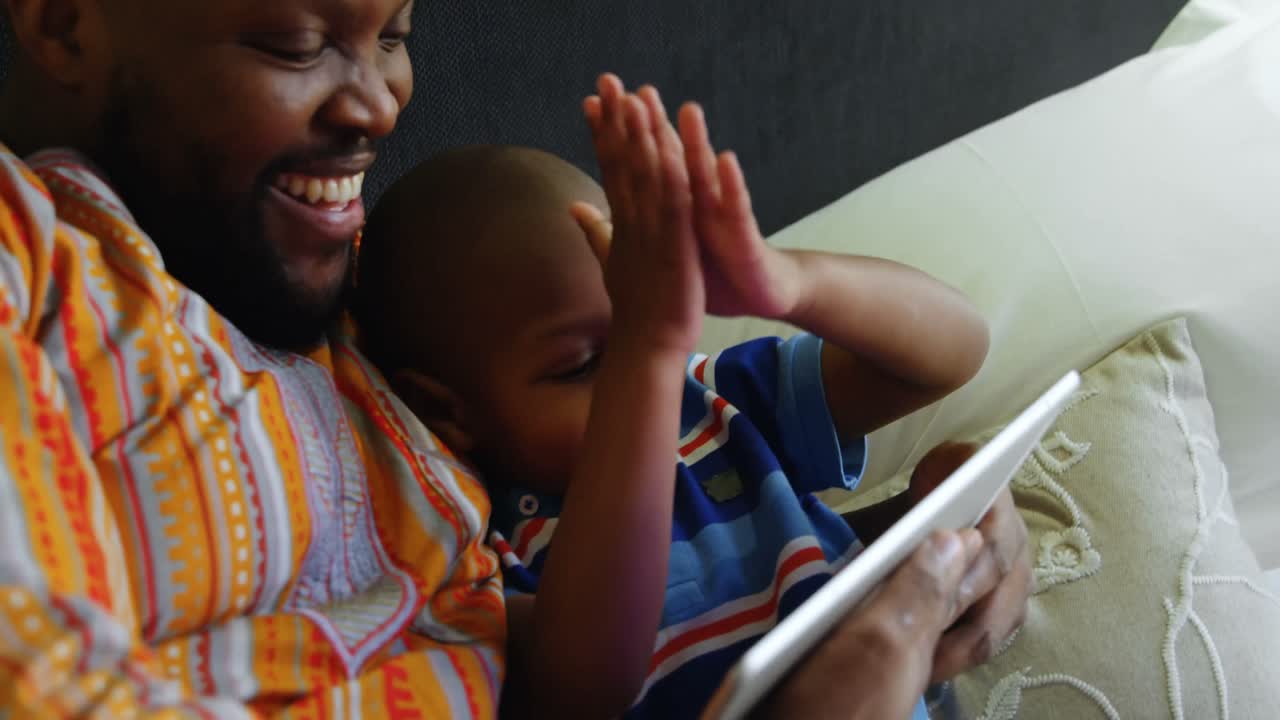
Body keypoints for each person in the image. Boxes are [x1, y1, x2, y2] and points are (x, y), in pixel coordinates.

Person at [0, 0, 1029, 714]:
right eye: (291, 41)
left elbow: (663, 607)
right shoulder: (36, 265)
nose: (379, 107)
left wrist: (939, 540)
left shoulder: (354, 285)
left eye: (394, 35)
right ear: (59, 21)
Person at [355, 74, 1029, 718]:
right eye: (587, 365)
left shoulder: (708, 404)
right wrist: (646, 349)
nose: (646, 374)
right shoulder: (486, 543)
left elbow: (952, 352)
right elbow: (590, 681)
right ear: (449, 413)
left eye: (647, 321)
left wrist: (791, 283)